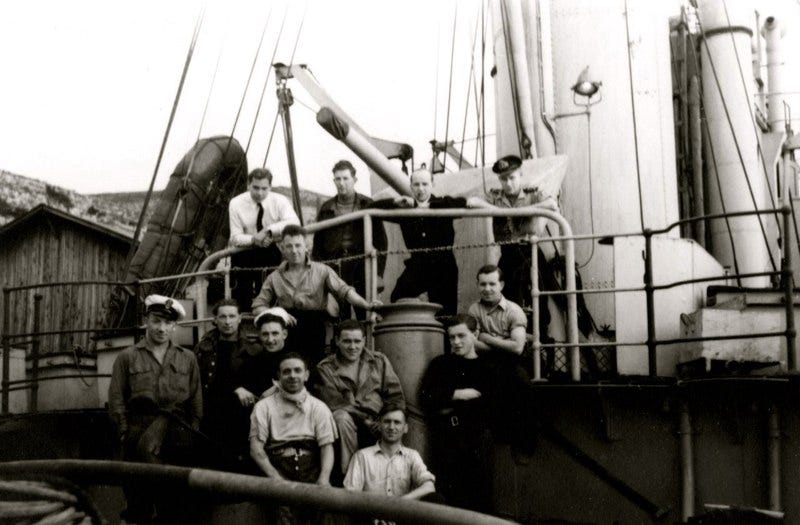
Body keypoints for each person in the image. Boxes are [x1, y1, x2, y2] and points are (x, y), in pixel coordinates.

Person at [108, 295, 202, 524]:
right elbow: (116, 399)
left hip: (177, 437)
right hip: (138, 432)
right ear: (146, 321)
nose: (162, 328)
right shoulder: (127, 357)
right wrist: (124, 432)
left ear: (174, 325)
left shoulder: (187, 358)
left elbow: (196, 401)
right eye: (156, 321)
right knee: (138, 503)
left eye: (168, 323)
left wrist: (191, 432)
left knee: (174, 504)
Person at [251, 224, 380, 366]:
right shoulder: (274, 277)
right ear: (282, 248)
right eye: (289, 246)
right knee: (288, 368)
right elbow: (258, 306)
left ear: (306, 246)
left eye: (298, 245)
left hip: (314, 328)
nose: (294, 251)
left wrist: (368, 305)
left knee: (312, 368)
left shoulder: (322, 270)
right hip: (288, 327)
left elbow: (346, 292)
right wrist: (278, 313)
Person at [370, 168, 490, 315]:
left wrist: (497, 210)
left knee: (445, 312)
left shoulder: (443, 204)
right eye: (416, 184)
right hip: (418, 265)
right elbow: (371, 208)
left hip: (443, 266)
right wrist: (395, 201)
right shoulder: (404, 208)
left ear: (432, 184)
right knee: (398, 297)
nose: (421, 189)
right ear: (411, 186)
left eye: (425, 184)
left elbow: (473, 201)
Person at [419, 314, 494, 513]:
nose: (456, 342)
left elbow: (491, 403)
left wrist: (444, 400)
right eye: (452, 337)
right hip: (447, 438)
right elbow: (425, 397)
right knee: (449, 496)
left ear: (475, 334)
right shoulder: (441, 364)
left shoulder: (487, 368)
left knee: (478, 497)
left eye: (462, 336)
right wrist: (457, 394)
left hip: (476, 439)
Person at [249, 353, 337, 524]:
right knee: (282, 515)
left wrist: (324, 479)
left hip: (311, 468)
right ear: (279, 376)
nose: (292, 376)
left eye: (298, 370)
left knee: (322, 513)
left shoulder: (319, 408)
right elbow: (256, 449)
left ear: (306, 375)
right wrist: (275, 479)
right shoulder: (263, 407)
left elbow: (327, 447)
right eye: (286, 371)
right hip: (277, 467)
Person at [314, 320, 405, 477]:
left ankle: (392, 476)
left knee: (394, 421)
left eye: (357, 341)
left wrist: (385, 419)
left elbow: (395, 396)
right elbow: (335, 402)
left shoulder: (378, 361)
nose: (352, 347)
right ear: (337, 341)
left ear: (364, 340)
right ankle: (350, 476)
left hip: (378, 420)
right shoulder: (325, 367)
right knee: (341, 417)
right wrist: (366, 420)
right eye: (347, 341)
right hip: (348, 422)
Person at [193, 298, 273, 470]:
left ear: (239, 318)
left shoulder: (254, 349)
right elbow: (200, 381)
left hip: (242, 412)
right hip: (211, 410)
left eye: (231, 316)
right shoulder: (203, 348)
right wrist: (235, 388)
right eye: (223, 317)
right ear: (215, 320)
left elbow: (259, 384)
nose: (227, 322)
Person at [489, 154, 557, 335]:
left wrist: (527, 210)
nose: (508, 183)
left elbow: (552, 203)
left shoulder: (532, 192)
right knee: (507, 300)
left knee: (538, 299)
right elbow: (474, 203)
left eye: (512, 178)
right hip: (508, 255)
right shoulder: (495, 197)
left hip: (531, 253)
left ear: (520, 175)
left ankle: (541, 344)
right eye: (503, 179)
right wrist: (495, 210)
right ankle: (514, 342)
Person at [312, 160, 388, 320]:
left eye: (346, 178)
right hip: (335, 266)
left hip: (362, 264)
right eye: (338, 179)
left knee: (366, 312)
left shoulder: (367, 204)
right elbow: (318, 244)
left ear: (354, 180)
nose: (342, 183)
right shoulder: (326, 208)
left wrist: (378, 272)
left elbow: (381, 241)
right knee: (340, 315)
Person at [229, 167, 300, 311]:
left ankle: (270, 323)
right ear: (248, 184)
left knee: (270, 293)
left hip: (270, 249)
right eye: (255, 187)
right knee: (241, 297)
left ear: (270, 187)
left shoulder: (279, 200)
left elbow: (294, 222)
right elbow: (235, 237)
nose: (260, 193)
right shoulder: (236, 203)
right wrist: (254, 239)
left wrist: (268, 231)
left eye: (264, 188)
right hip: (244, 252)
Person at [344, 406, 441, 503]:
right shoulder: (362, 456)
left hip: (403, 514)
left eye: (397, 422)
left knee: (436, 498)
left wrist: (398, 504)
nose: (391, 427)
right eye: (387, 422)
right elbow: (350, 494)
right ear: (379, 425)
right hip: (372, 515)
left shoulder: (412, 456)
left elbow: (429, 487)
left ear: (405, 428)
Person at [468, 265, 528, 359]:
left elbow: (517, 348)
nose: (487, 289)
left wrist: (487, 338)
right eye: (483, 284)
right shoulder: (474, 309)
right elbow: (472, 344)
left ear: (501, 285)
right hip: (483, 361)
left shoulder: (514, 311)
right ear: (477, 285)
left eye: (492, 284)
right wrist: (505, 344)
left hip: (511, 362)